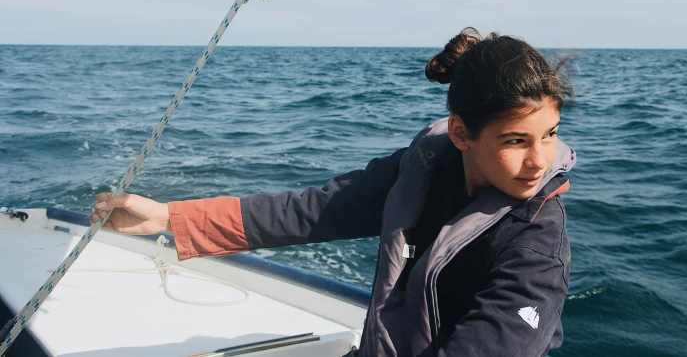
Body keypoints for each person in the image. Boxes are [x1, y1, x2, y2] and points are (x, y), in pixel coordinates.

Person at [90, 27, 576, 357]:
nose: (540, 160)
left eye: (550, 134)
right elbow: (313, 211)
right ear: (459, 133)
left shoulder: (536, 241)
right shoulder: (423, 171)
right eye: (516, 140)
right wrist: (167, 218)